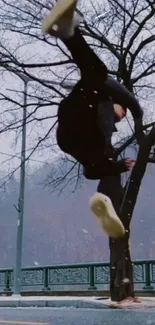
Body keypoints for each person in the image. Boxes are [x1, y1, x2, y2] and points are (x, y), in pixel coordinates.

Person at [42, 0, 143, 238]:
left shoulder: (106, 120)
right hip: (76, 130)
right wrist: (133, 107)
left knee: (96, 73)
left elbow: (92, 169)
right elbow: (115, 88)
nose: (121, 112)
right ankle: (106, 203)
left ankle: (67, 31)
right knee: (97, 74)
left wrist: (132, 107)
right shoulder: (105, 101)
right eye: (122, 110)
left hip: (78, 129)